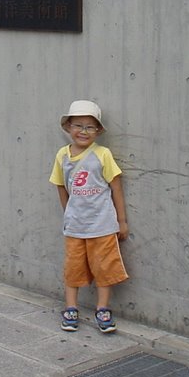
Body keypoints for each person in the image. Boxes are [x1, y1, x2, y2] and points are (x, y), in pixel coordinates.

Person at [50, 100, 128, 333]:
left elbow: (116, 187)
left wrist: (121, 221)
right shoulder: (62, 155)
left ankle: (102, 309)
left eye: (90, 127)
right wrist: (68, 213)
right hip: (75, 226)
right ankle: (71, 307)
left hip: (102, 225)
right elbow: (60, 187)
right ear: (68, 128)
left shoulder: (102, 154)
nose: (83, 132)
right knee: (73, 268)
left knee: (104, 268)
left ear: (98, 131)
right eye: (78, 126)